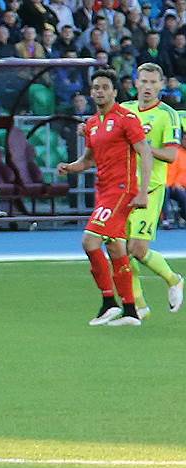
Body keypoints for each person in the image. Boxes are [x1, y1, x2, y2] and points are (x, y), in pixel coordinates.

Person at [57, 69, 153, 327]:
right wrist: (71, 167)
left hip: (122, 190)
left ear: (114, 92)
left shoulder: (126, 118)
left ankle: (109, 302)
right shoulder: (91, 124)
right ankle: (130, 310)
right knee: (115, 248)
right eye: (96, 87)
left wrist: (142, 191)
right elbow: (88, 160)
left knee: (90, 241)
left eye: (104, 87)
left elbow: (145, 152)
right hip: (104, 191)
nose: (99, 91)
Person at [119, 63, 185, 316]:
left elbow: (171, 155)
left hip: (150, 189)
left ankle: (173, 279)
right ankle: (138, 306)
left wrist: (143, 147)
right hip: (121, 188)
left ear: (161, 85)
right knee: (119, 249)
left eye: (153, 82)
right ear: (136, 83)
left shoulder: (168, 115)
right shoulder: (124, 110)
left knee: (137, 248)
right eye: (143, 81)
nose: (147, 87)